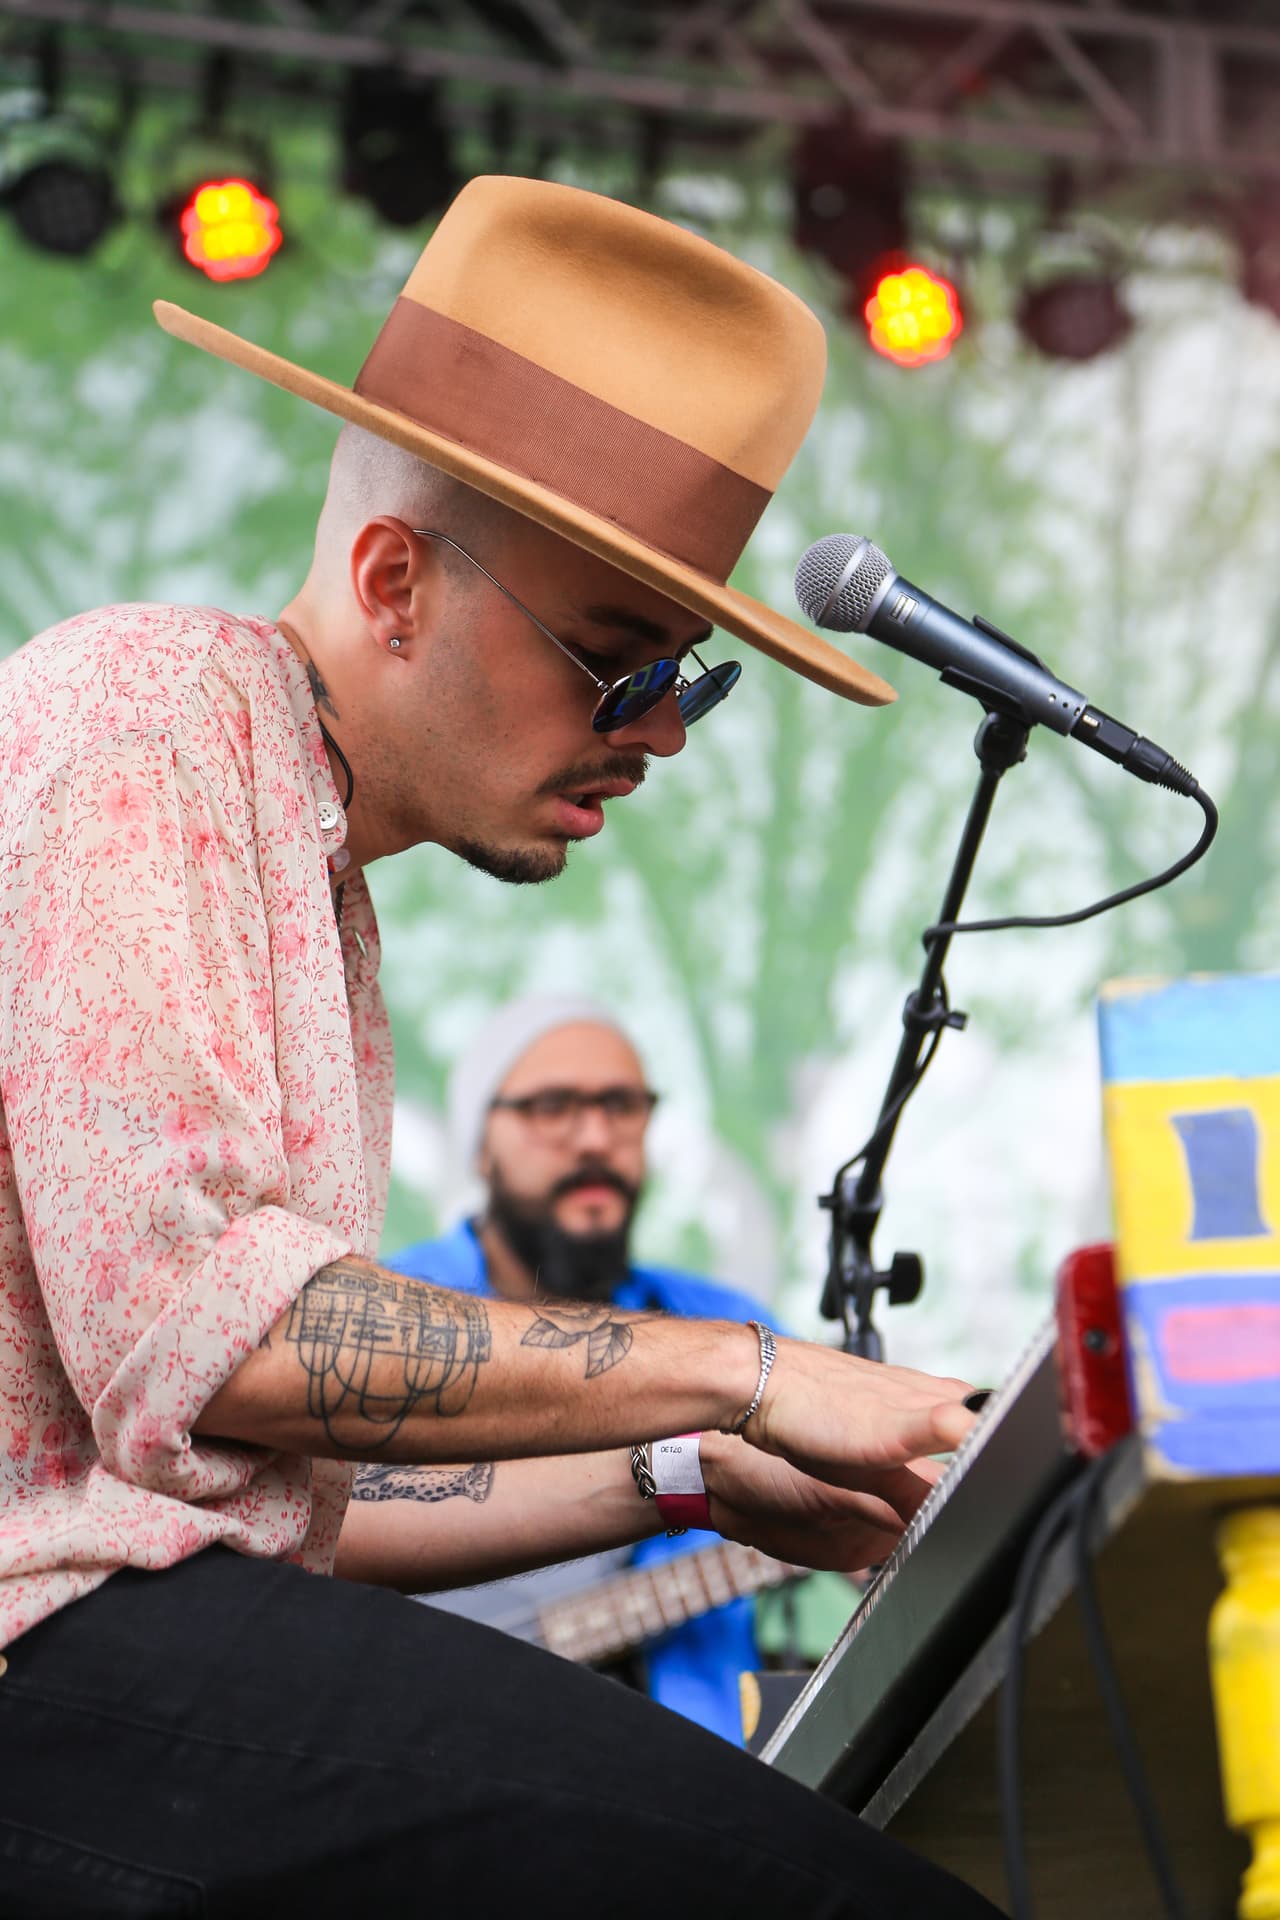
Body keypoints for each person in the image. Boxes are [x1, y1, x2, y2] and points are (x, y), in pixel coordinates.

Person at [0, 173, 1002, 1917]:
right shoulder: (142, 716)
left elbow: (277, 1491)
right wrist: (740, 1368)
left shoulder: (308, 865)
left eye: (692, 677)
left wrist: (689, 1477)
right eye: (619, 665)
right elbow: (203, 1336)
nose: (661, 738)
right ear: (394, 578)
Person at [388, 992, 801, 1744]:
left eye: (621, 1105)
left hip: (699, 1774)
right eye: (552, 1107)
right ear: (481, 1143)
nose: (594, 1137)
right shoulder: (391, 1317)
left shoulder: (735, 1331)